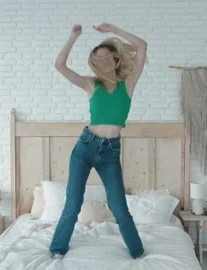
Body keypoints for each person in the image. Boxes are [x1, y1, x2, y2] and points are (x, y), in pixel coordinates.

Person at [49, 23, 147, 260]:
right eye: (97, 57)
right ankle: (57, 249)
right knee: (73, 204)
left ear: (114, 59)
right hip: (85, 148)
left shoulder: (129, 84)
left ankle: (137, 252)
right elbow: (60, 66)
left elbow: (142, 46)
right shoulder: (91, 84)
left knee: (119, 208)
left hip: (111, 153)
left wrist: (113, 29)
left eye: (106, 56)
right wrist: (73, 37)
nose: (102, 60)